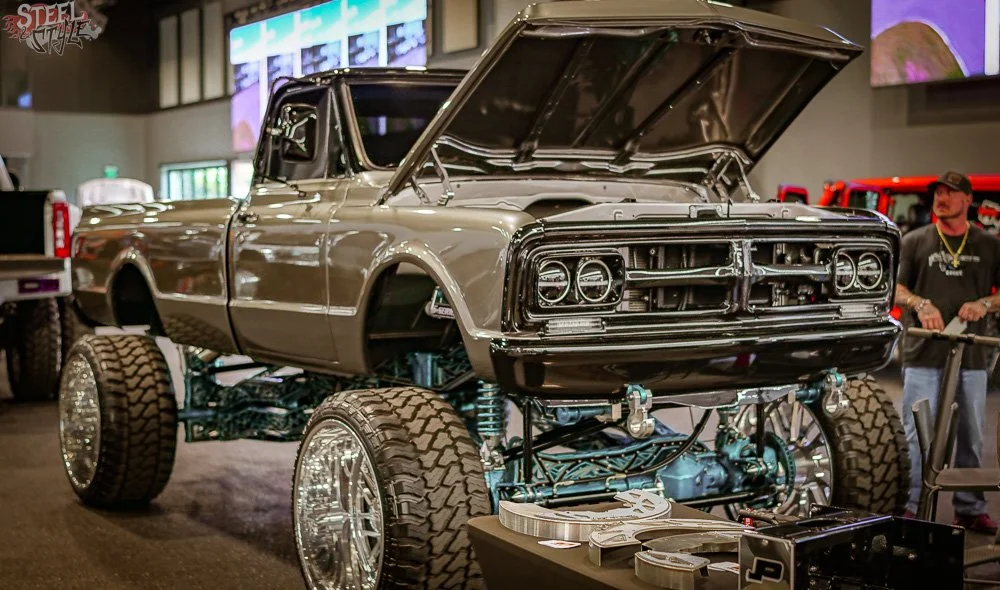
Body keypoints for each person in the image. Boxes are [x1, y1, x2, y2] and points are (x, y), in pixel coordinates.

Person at [894, 170, 1000, 534]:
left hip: (970, 357)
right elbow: (895, 289)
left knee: (972, 435)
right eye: (938, 192)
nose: (942, 197)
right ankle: (910, 505)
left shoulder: (988, 244)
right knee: (914, 434)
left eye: (951, 192)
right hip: (922, 355)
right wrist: (919, 303)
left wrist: (985, 303)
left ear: (968, 199)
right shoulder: (915, 240)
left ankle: (970, 508)